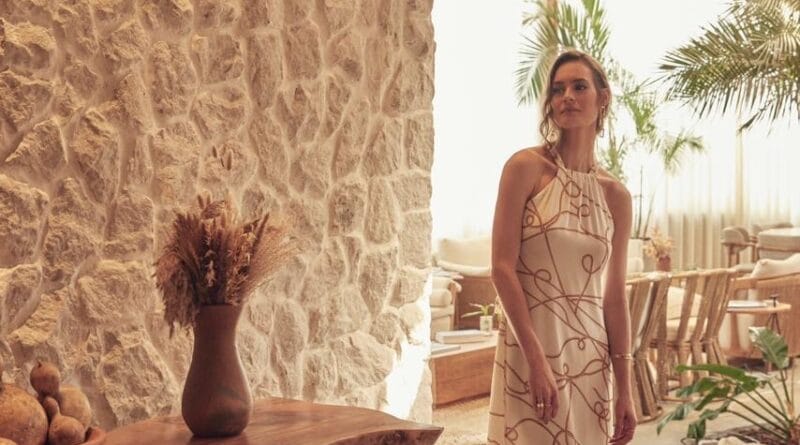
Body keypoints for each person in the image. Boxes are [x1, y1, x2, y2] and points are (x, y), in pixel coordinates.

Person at [487, 50, 637, 445]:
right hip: (531, 350)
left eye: (579, 86)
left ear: (602, 98)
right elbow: (501, 268)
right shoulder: (525, 168)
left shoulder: (616, 196)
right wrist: (536, 360)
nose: (567, 96)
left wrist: (625, 388)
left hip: (591, 362)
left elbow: (614, 298)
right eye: (558, 89)